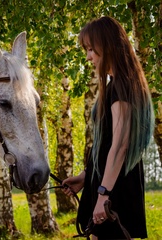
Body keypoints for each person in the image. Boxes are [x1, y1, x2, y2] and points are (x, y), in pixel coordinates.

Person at [62, 16, 154, 240]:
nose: (88, 57)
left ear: (108, 45)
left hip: (114, 190)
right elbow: (106, 143)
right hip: (108, 183)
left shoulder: (122, 86)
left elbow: (120, 145)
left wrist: (103, 195)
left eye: (91, 49)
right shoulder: (118, 83)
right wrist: (86, 177)